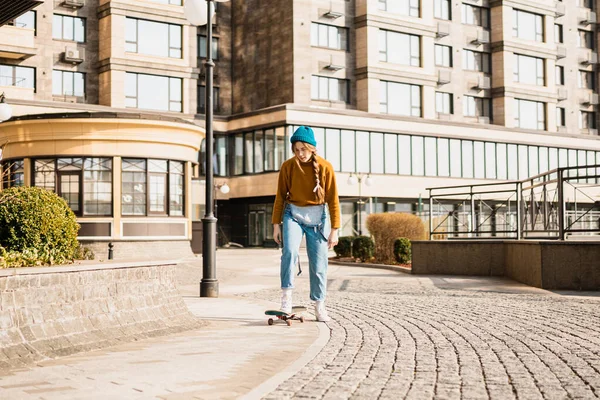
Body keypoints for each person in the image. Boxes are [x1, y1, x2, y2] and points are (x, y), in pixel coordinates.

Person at [272, 126, 340, 322]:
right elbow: (280, 197)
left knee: (319, 265)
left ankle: (319, 306)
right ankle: (286, 299)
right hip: (292, 214)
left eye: (304, 149)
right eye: (297, 149)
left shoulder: (326, 167)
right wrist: (276, 224)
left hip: (318, 220)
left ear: (312, 148)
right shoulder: (288, 166)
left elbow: (333, 200)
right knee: (290, 252)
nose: (300, 153)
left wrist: (334, 230)